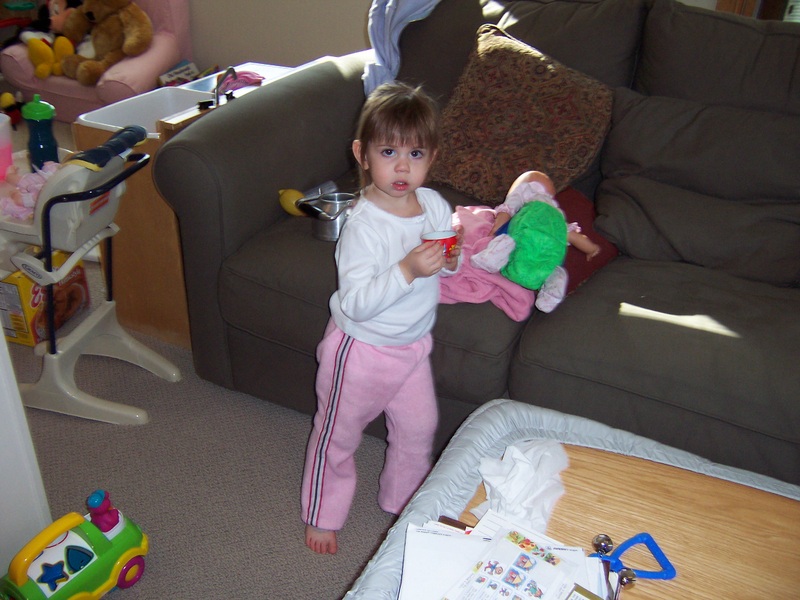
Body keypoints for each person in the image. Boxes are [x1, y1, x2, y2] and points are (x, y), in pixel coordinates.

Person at [301, 82, 461, 555]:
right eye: (389, 152)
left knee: (418, 429)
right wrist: (407, 269)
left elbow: (445, 262)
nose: (403, 166)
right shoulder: (363, 225)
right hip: (362, 350)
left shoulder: (435, 206)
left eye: (416, 153)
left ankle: (402, 502)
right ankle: (322, 513)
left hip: (413, 345)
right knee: (337, 436)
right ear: (363, 155)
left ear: (432, 157)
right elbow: (355, 303)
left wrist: (451, 260)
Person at [471, 170, 600, 312]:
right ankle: (551, 293)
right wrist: (592, 249)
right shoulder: (557, 218)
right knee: (554, 269)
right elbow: (575, 237)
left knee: (507, 240)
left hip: (522, 245)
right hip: (545, 260)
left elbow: (505, 213)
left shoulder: (528, 202)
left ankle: (489, 260)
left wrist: (495, 231)